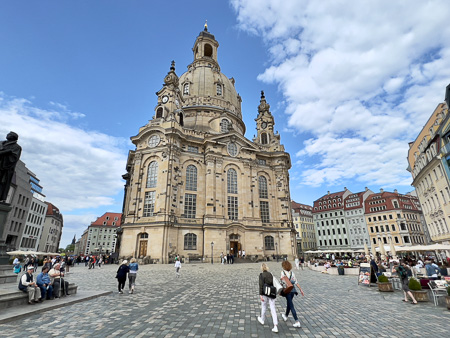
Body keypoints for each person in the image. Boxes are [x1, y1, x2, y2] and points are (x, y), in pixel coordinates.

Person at [280, 260, 304, 328]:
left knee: (291, 305)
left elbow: (282, 282)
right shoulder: (292, 273)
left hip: (287, 291)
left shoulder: (282, 272)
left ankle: (297, 321)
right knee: (289, 303)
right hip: (293, 291)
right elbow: (296, 282)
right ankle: (285, 316)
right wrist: (301, 289)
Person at [257, 263, 278, 333]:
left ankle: (262, 319)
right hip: (271, 293)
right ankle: (275, 325)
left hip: (265, 293)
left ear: (262, 268)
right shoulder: (270, 274)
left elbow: (261, 285)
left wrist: (260, 294)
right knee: (273, 309)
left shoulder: (261, 275)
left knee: (264, 306)